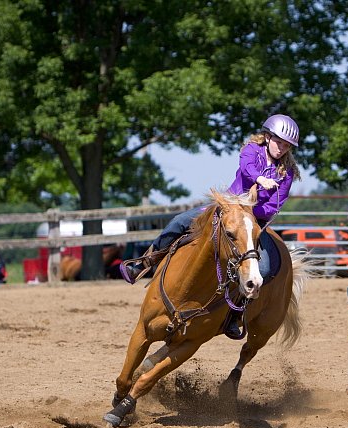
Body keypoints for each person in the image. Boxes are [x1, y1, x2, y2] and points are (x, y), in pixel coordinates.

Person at [119, 113, 302, 337]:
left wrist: (249, 212)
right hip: (226, 208)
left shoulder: (287, 173)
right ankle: (146, 262)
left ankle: (234, 315)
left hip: (254, 221)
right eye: (279, 142)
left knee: (262, 269)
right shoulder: (252, 150)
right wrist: (259, 181)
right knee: (180, 221)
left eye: (287, 146)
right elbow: (246, 168)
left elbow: (274, 205)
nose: (282, 148)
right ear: (267, 137)